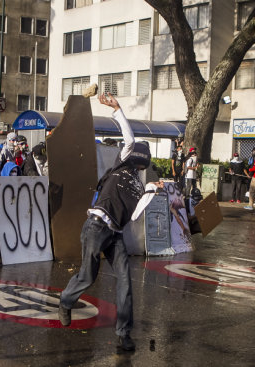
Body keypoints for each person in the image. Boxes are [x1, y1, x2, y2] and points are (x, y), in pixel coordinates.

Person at [58, 93, 164, 351]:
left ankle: (123, 334)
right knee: (87, 276)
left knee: (125, 280)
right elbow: (129, 139)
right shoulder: (120, 165)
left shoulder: (140, 186)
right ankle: (66, 300)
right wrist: (118, 110)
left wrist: (151, 189)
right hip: (96, 226)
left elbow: (136, 214)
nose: (139, 160)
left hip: (115, 234)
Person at [0, 161, 22, 259]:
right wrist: (5, 201)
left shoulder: (17, 183)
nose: (14, 174)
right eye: (12, 172)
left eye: (15, 172)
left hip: (11, 210)